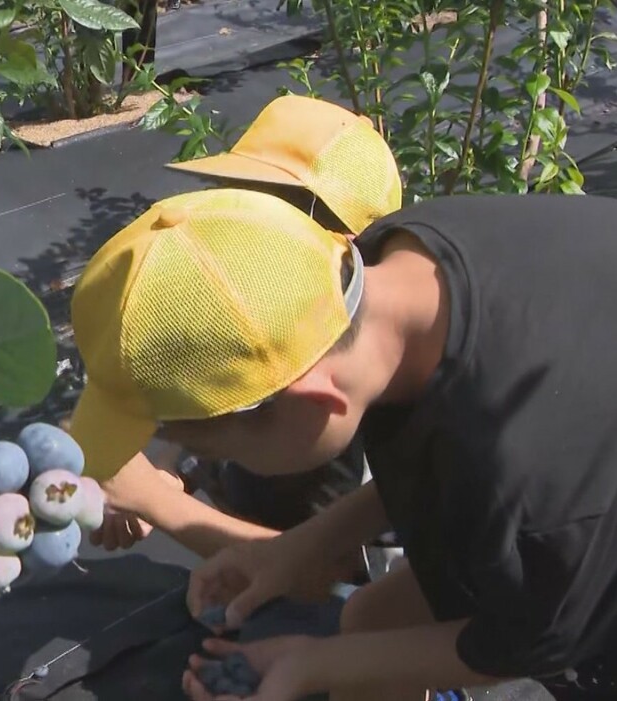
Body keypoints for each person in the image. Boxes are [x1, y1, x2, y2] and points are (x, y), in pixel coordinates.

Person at [67, 187, 617, 700]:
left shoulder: (535, 497)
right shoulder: (404, 252)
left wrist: (313, 664)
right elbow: (446, 458)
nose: (221, 469)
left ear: (314, 400)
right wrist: (295, 547)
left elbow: (521, 643)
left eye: (226, 456)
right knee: (373, 620)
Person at [90, 96, 403, 572]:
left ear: (339, 248)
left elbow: (323, 573)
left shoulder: (334, 402)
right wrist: (173, 476)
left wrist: (160, 504)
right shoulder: (275, 329)